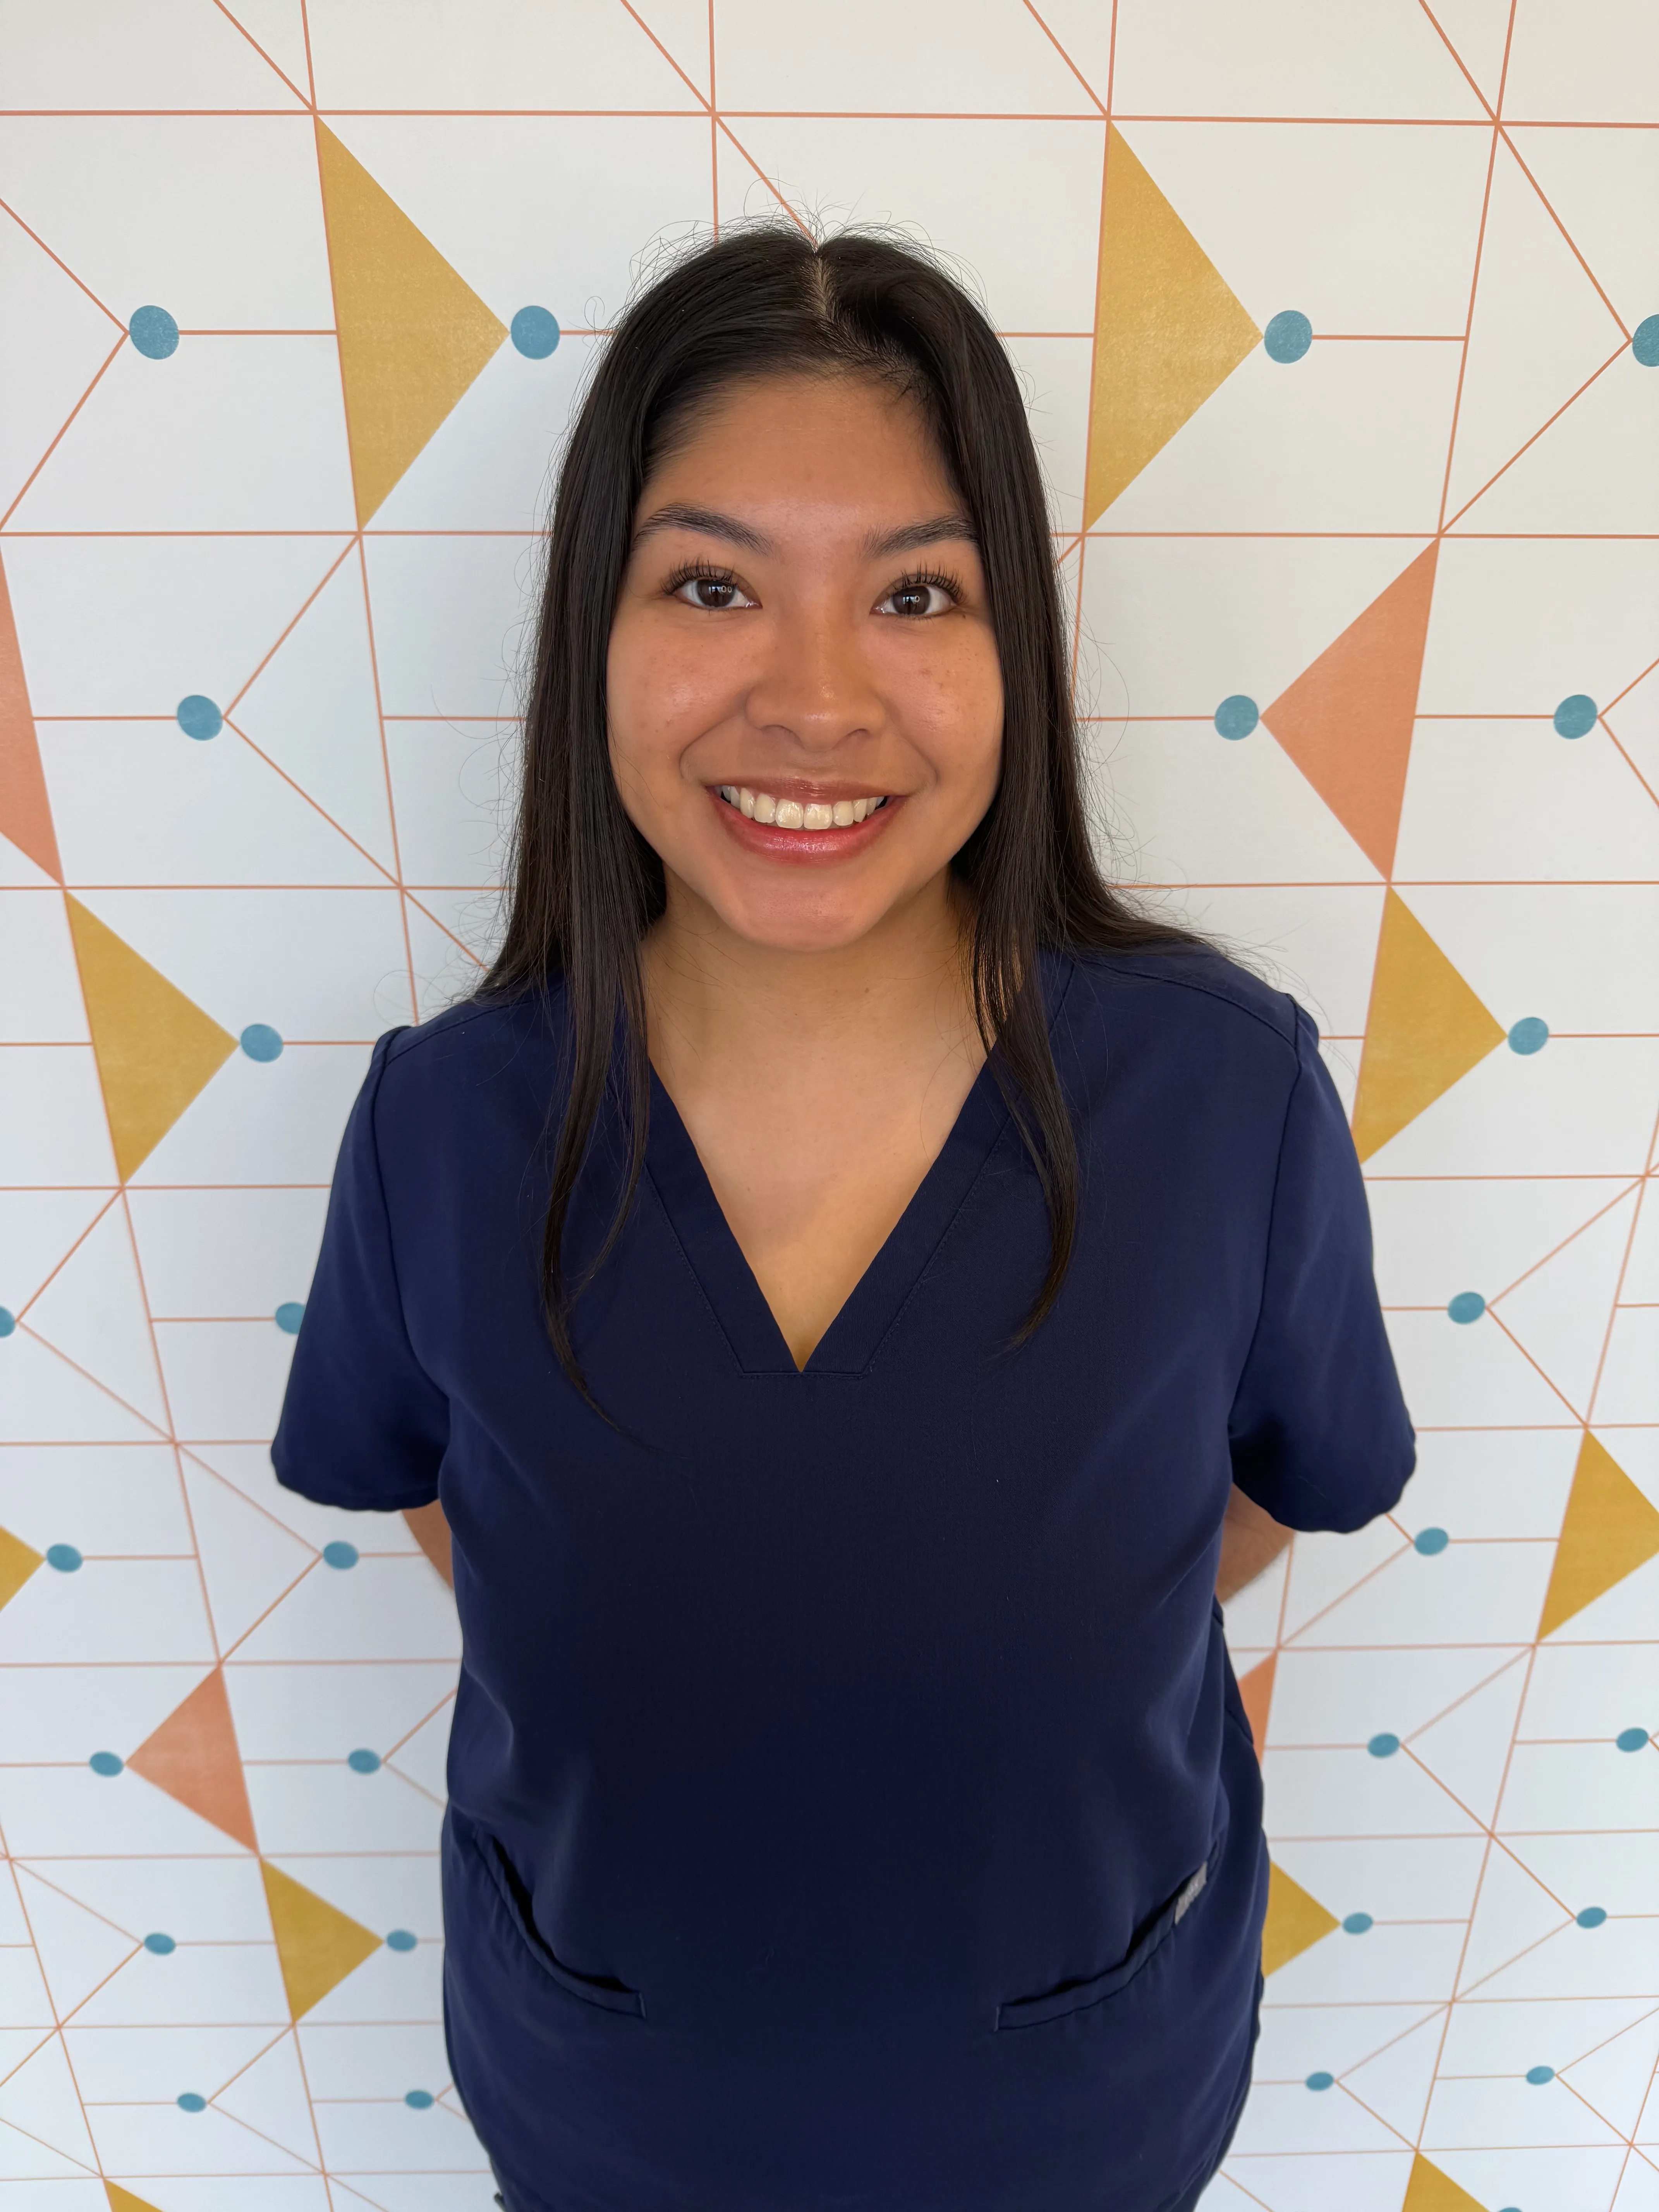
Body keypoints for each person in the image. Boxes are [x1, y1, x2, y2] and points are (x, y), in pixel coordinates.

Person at [271, 226, 1415, 2212]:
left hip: (1082, 2105)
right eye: (712, 583)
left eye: (915, 592)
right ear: (595, 638)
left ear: (1014, 654)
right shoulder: (444, 1127)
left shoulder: (1223, 1095)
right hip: (607, 2102)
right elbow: (450, 1506)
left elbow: (1261, 1496)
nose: (812, 700)